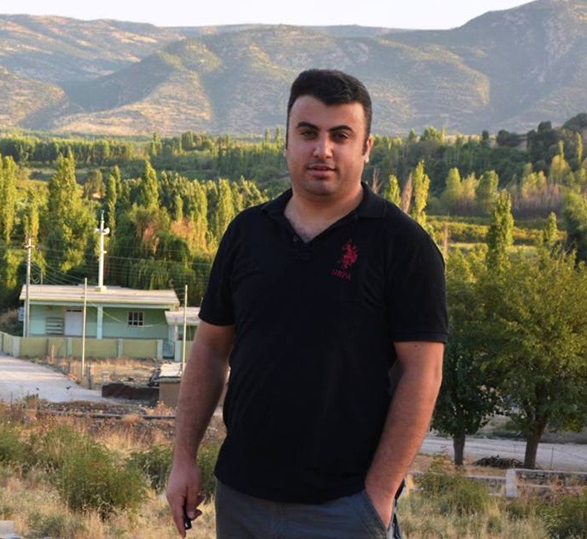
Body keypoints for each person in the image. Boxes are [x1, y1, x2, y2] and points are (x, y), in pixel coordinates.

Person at [165, 69, 447, 538]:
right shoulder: (247, 233)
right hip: (240, 501)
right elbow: (210, 350)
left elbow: (424, 374)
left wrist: (378, 496)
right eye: (309, 133)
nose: (323, 150)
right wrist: (183, 460)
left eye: (341, 136)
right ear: (287, 141)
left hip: (345, 508)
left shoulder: (403, 246)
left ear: (366, 148)